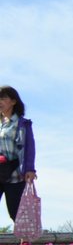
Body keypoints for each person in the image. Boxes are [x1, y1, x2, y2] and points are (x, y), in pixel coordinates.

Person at [0, 86, 36, 224]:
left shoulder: (22, 124)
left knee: (16, 211)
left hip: (15, 173)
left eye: (3, 98)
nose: (0, 101)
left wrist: (30, 169)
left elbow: (29, 148)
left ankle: (25, 241)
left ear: (13, 101)